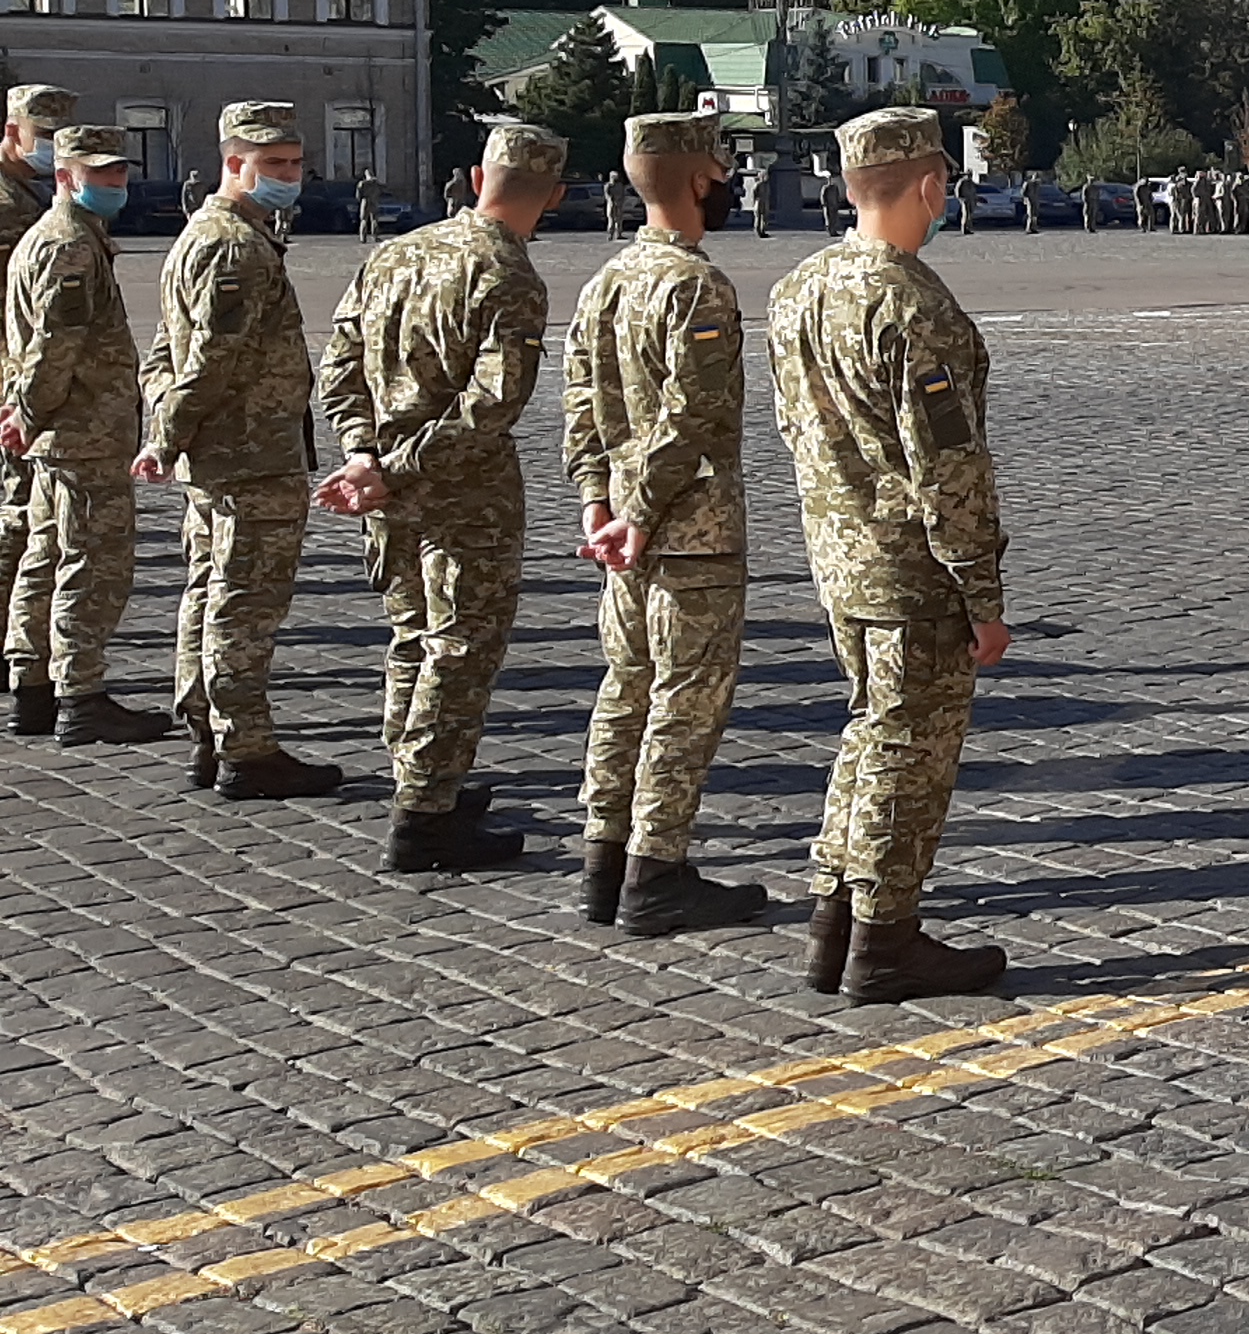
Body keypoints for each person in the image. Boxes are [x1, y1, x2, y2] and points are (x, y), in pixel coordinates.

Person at [772, 108, 1017, 998]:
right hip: (908, 566)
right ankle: (885, 936)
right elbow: (950, 467)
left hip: (837, 553)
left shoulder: (799, 287)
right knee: (908, 750)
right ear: (926, 185)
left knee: (868, 731)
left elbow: (795, 428)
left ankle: (834, 916)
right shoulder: (913, 304)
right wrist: (981, 596)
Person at [318, 123, 561, 873]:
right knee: (458, 646)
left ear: (473, 173)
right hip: (462, 494)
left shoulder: (397, 252)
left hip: (387, 489)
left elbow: (339, 366)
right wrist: (394, 468)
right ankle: (424, 813)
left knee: (410, 636)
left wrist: (364, 455)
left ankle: (423, 777)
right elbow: (488, 409)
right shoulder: (509, 277)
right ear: (552, 197)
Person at [564, 112, 766, 938]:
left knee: (626, 691)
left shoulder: (606, 280)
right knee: (685, 701)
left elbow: (580, 401)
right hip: (687, 531)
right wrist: (643, 513)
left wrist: (599, 504)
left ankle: (603, 859)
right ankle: (658, 868)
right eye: (720, 169)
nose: (728, 185)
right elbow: (693, 415)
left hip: (622, 528)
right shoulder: (696, 285)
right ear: (697, 179)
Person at [140, 102, 340, 799]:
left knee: (209, 589)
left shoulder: (209, 233)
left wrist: (166, 429)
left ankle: (205, 729)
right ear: (234, 163)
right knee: (246, 602)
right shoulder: (234, 247)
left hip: (227, 451)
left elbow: (165, 352)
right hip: (249, 454)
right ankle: (245, 748)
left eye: (293, 164)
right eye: (272, 166)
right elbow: (208, 360)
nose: (288, 177)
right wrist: (166, 436)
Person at [2, 126, 164, 748]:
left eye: (118, 174)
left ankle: (33, 685)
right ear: (66, 178)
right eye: (99, 175)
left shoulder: (59, 237)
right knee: (91, 564)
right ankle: (82, 693)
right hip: (82, 432)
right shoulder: (70, 245)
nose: (114, 185)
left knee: (45, 555)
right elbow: (53, 347)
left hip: (61, 432)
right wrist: (31, 412)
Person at [0, 84, 73, 737]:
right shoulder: (5, 205)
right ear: (12, 131)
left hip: (24, 377)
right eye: (41, 133)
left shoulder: (37, 198)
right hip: (12, 380)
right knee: (17, 519)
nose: (51, 145)